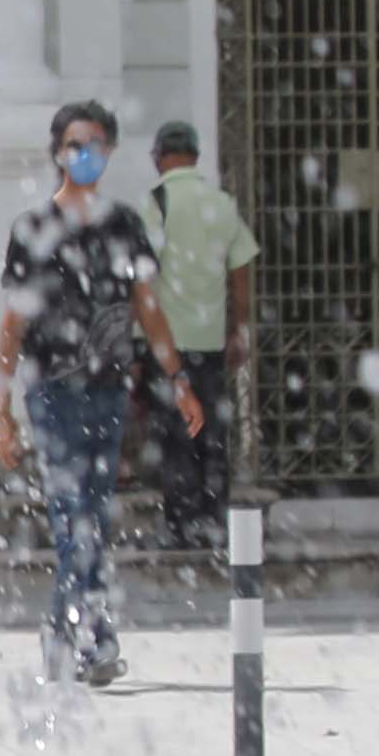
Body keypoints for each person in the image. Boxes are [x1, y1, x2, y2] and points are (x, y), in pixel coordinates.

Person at [0, 100, 201, 686]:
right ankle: (95, 639)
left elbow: (148, 309)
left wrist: (178, 378)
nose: (85, 155)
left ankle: (62, 633)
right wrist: (1, 407)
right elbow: (12, 322)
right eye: (74, 144)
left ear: (108, 152)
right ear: (58, 152)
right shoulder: (32, 230)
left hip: (109, 392)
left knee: (92, 518)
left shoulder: (125, 225)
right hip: (51, 392)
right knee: (71, 519)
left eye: (96, 145)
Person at [138, 117, 257, 551]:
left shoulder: (157, 204)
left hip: (169, 345)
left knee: (174, 435)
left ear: (158, 157)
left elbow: (142, 279)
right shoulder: (222, 204)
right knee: (213, 435)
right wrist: (239, 329)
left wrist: (139, 339)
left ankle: (179, 524)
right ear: (195, 155)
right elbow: (241, 269)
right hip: (211, 342)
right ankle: (214, 521)